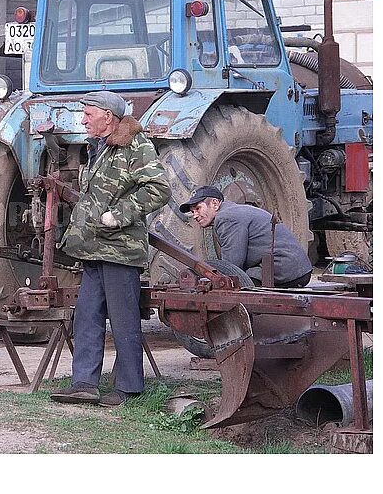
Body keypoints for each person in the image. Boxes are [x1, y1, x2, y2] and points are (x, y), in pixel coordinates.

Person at [51, 91, 171, 407]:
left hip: (119, 250)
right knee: (87, 316)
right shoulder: (101, 148)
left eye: (88, 113)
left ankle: (129, 387)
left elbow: (159, 189)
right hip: (94, 249)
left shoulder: (135, 145)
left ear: (108, 115)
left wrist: (120, 215)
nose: (83, 119)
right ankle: (84, 384)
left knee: (123, 319)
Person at [180, 185, 313, 288]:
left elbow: (231, 267)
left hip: (285, 269)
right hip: (296, 269)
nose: (195, 215)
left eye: (198, 208)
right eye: (192, 212)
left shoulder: (226, 218)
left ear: (215, 204)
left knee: (232, 285)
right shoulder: (233, 211)